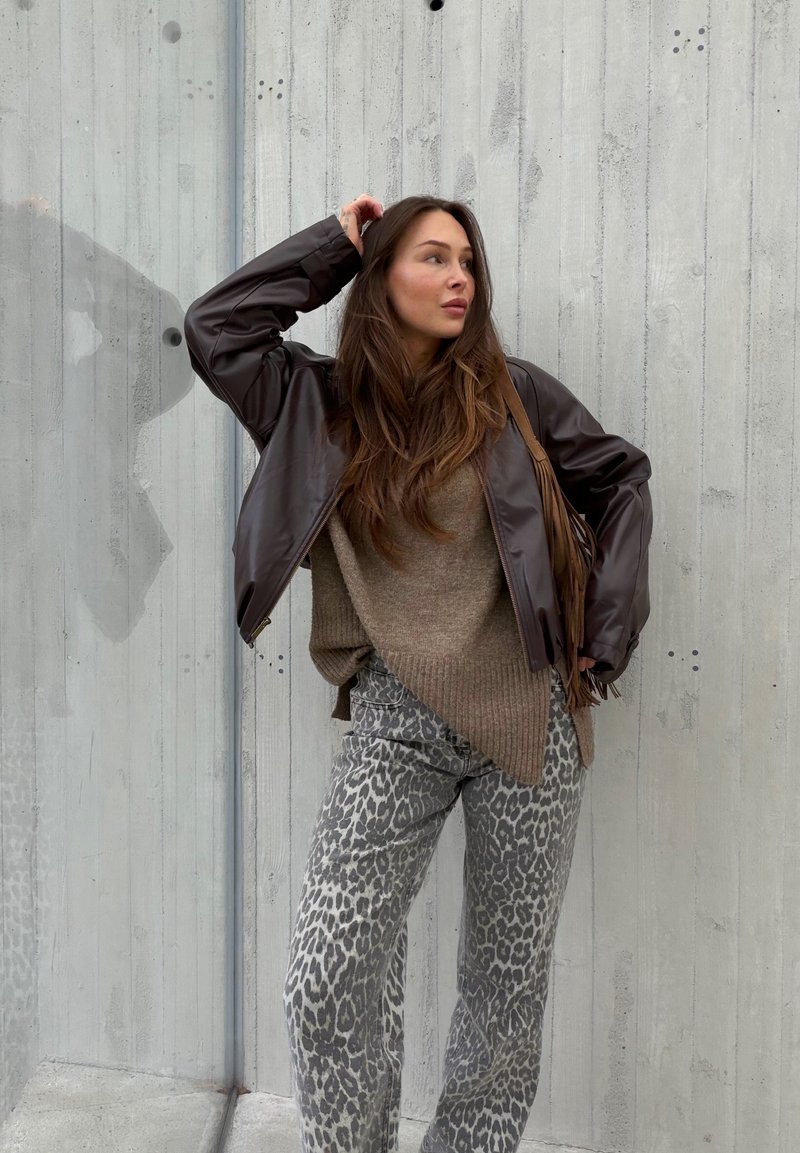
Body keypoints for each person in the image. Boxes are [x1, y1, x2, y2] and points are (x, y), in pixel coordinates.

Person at [184, 192, 652, 1153]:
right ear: (380, 275)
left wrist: (604, 635)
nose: (459, 280)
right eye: (433, 258)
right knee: (329, 968)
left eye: (469, 264)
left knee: (504, 987)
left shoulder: (513, 394)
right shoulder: (312, 402)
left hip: (529, 717)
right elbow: (215, 330)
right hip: (400, 715)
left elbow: (620, 478)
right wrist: (333, 244)